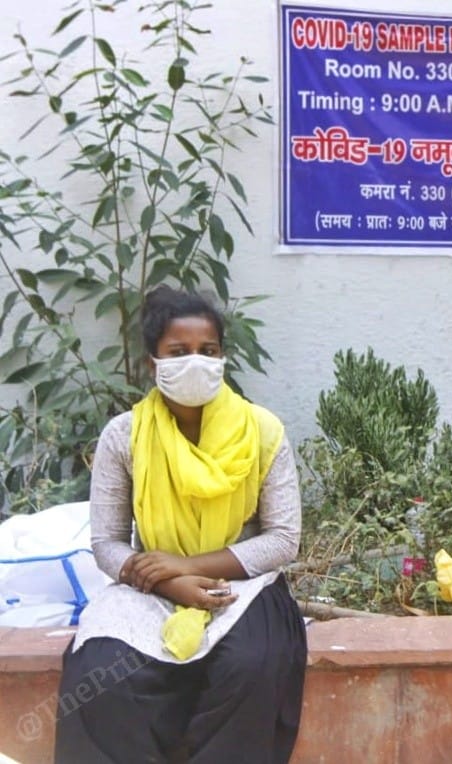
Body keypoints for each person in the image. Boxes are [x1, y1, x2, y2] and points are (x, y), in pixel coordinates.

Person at [55, 286, 306, 763]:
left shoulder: (263, 431)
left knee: (252, 665)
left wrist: (186, 566)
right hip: (147, 584)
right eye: (179, 352)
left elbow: (282, 539)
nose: (196, 361)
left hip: (242, 583)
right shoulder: (124, 436)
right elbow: (107, 541)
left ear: (223, 357)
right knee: (101, 672)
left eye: (208, 351)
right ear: (154, 363)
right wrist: (170, 582)